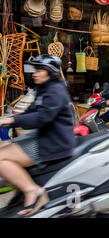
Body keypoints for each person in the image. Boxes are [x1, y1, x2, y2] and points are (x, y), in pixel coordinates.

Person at [0, 55, 75, 216]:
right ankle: (21, 190)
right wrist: (7, 121)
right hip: (43, 136)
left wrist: (11, 119)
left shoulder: (55, 90)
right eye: (35, 69)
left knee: (0, 158)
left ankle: (32, 190)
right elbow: (30, 113)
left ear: (50, 72)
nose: (35, 73)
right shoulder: (44, 88)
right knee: (3, 146)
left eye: (40, 70)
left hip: (53, 143)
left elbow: (42, 117)